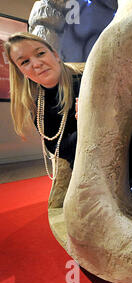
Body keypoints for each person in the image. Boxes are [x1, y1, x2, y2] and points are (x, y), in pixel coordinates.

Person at [4, 32, 83, 180]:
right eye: (24, 62)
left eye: (40, 53)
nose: (36, 64)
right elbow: (56, 148)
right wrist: (84, 127)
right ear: (21, 72)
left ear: (55, 55)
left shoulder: (87, 80)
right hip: (86, 174)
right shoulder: (36, 103)